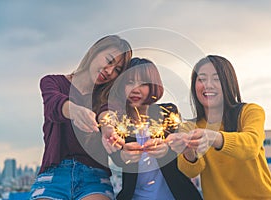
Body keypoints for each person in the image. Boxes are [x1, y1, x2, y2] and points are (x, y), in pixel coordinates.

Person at [29, 35, 132, 200]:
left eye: (117, 70)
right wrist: (75, 111)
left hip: (94, 177)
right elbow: (53, 104)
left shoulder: (109, 97)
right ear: (94, 52)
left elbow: (107, 113)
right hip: (53, 175)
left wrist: (108, 128)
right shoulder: (52, 82)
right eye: (109, 60)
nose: (110, 71)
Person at [167, 55, 271, 199]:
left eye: (216, 79)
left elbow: (251, 146)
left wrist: (213, 137)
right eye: (202, 79)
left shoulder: (250, 112)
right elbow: (191, 171)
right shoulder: (189, 127)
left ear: (229, 83)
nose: (208, 85)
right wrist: (188, 150)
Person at [99, 58, 203, 200]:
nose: (136, 89)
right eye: (130, 82)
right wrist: (124, 156)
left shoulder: (167, 113)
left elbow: (179, 150)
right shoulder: (116, 121)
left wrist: (167, 150)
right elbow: (117, 158)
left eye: (143, 83)